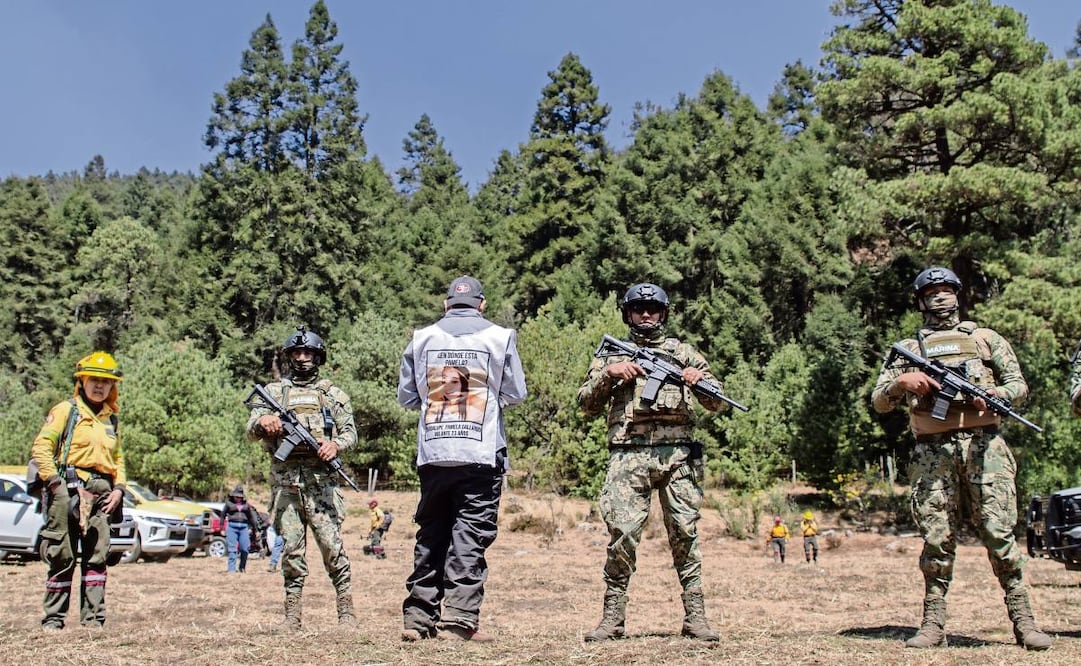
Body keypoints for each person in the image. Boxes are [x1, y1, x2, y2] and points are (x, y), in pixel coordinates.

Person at [871, 266, 1051, 651]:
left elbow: (1019, 386)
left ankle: (1024, 622)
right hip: (932, 452)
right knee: (936, 537)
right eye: (931, 292)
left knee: (999, 533)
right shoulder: (909, 348)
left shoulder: (985, 339)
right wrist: (901, 383)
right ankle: (933, 625)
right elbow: (879, 401)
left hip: (986, 448)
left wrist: (997, 395)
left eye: (946, 290)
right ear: (921, 301)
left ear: (958, 295)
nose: (939, 298)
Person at [577, 282, 729, 642]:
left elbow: (717, 402)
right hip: (628, 455)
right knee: (622, 535)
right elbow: (585, 404)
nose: (646, 315)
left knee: (685, 533)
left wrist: (699, 381)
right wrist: (609, 375)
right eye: (638, 309)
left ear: (664, 313)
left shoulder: (684, 353)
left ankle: (696, 617)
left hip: (679, 457)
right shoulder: (611, 356)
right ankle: (612, 619)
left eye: (653, 309)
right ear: (627, 314)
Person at [397, 275, 527, 643]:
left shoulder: (421, 338)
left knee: (431, 534)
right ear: (482, 305)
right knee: (469, 535)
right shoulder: (500, 337)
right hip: (480, 453)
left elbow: (407, 397)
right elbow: (516, 393)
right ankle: (457, 620)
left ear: (446, 304)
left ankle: (418, 620)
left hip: (434, 452)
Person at [246, 326, 358, 630]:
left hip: (322, 486)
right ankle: (292, 616)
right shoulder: (274, 393)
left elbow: (350, 434)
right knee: (291, 551)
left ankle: (346, 612)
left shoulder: (333, 395)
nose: (302, 357)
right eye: (296, 352)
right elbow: (251, 429)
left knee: (332, 548)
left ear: (318, 356)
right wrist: (263, 422)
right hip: (286, 486)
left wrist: (335, 445)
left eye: (308, 352)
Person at [30, 352, 126, 630]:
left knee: (98, 556)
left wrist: (119, 489)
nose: (99, 386)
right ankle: (54, 620)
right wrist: (54, 483)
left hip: (103, 495)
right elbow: (42, 447)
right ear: (82, 381)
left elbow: (118, 459)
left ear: (112, 386)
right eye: (94, 379)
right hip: (68, 490)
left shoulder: (111, 420)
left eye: (105, 382)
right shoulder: (66, 411)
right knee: (62, 555)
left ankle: (94, 621)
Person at [223, 486, 261, 573]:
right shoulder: (228, 504)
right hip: (232, 527)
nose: (238, 499)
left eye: (240, 497)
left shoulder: (246, 506)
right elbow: (222, 515)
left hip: (243, 527)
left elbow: (251, 518)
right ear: (233, 496)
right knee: (232, 549)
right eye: (236, 497)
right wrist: (222, 527)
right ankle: (231, 569)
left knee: (245, 548)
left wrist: (256, 530)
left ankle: (242, 567)